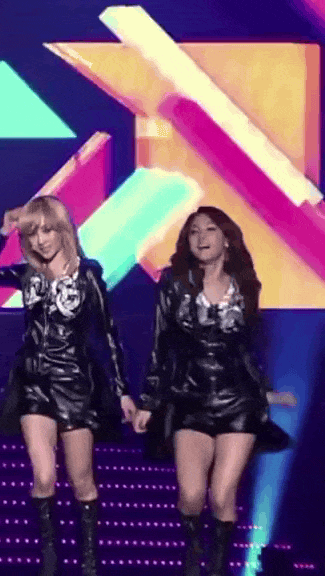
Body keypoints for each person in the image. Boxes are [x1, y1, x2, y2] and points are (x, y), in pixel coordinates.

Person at [0, 196, 136, 576]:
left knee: (82, 481)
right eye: (32, 233)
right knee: (43, 477)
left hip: (76, 385)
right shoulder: (27, 274)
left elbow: (108, 334)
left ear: (63, 229)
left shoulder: (88, 274)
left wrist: (122, 389)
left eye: (47, 230)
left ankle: (89, 562)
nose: (41, 240)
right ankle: (50, 561)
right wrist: (1, 232)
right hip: (34, 383)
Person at [132, 206, 296, 576]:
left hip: (238, 401)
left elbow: (249, 349)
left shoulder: (247, 285)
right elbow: (161, 344)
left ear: (226, 238)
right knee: (191, 496)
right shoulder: (173, 283)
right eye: (194, 231)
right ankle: (193, 551)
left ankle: (218, 567)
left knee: (223, 495)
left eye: (209, 229)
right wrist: (149, 401)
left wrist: (265, 393)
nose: (201, 237)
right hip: (189, 398)